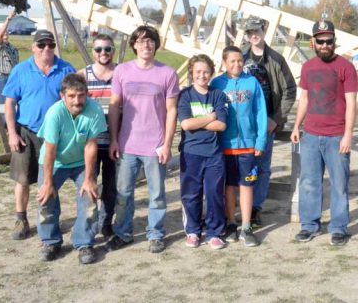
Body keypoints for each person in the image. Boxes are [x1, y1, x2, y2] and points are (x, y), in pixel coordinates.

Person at [107, 25, 179, 254]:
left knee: (157, 195)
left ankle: (156, 234)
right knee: (124, 194)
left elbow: (172, 111)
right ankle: (123, 233)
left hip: (155, 146)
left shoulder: (167, 73)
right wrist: (114, 140)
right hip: (127, 144)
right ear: (134, 45)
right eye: (141, 40)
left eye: (150, 41)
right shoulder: (122, 72)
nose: (146, 44)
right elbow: (114, 106)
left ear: (156, 45)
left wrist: (167, 144)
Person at [291, 20, 358, 246]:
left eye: (329, 41)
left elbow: (352, 104)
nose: (325, 45)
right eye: (320, 41)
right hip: (311, 134)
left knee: (339, 184)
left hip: (336, 136)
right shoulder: (308, 67)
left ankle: (339, 227)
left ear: (334, 42)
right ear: (313, 42)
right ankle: (309, 225)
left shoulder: (345, 67)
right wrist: (296, 126)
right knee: (309, 182)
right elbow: (304, 98)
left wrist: (348, 134)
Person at [2, 29, 75, 240]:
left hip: (55, 134)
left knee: (51, 178)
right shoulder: (21, 70)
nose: (46, 49)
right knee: (23, 179)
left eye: (50, 45)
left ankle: (50, 219)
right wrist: (12, 133)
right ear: (33, 47)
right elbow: (9, 103)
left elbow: (74, 101)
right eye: (41, 45)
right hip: (27, 132)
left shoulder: (66, 69)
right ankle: (21, 219)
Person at [36, 73, 105, 264]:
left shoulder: (94, 110)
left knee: (89, 196)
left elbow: (91, 145)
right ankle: (50, 241)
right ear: (62, 96)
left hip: (80, 162)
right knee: (45, 198)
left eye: (81, 95)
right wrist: (48, 182)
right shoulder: (54, 114)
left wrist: (90, 178)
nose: (77, 100)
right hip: (55, 161)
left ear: (87, 94)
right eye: (72, 96)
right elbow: (50, 150)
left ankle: (84, 243)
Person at [242, 18, 297, 226]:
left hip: (266, 123)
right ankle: (238, 207)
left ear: (264, 30)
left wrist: (276, 119)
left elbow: (290, 89)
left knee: (262, 167)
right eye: (249, 32)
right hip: (243, 124)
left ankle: (255, 208)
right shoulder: (240, 57)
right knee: (242, 165)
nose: (253, 35)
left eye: (256, 30)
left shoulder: (276, 59)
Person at [211, 46, 268, 247]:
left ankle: (246, 226)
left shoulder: (252, 83)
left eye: (240, 61)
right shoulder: (217, 83)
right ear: (224, 62)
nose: (236, 64)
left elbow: (261, 113)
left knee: (246, 185)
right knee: (229, 186)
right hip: (224, 146)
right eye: (232, 61)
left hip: (247, 146)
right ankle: (231, 223)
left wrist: (260, 141)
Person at [177, 54, 229, 250]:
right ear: (191, 73)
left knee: (214, 193)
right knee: (191, 193)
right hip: (191, 152)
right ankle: (193, 230)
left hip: (213, 153)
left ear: (211, 73)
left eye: (206, 71)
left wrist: (199, 122)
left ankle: (214, 232)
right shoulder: (185, 95)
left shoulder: (217, 95)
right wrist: (210, 116)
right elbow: (186, 124)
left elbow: (221, 125)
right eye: (198, 71)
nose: (202, 75)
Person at [77, 34, 116, 238]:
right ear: (93, 51)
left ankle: (106, 223)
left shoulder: (121, 73)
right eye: (99, 49)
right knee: (89, 184)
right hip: (90, 142)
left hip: (113, 141)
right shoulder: (83, 75)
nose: (103, 53)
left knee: (111, 186)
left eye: (107, 49)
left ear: (113, 51)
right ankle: (88, 228)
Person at [0, 10, 19, 103]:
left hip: (13, 76)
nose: (5, 34)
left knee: (15, 101)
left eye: (6, 32)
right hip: (3, 77)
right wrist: (9, 19)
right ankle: (4, 118)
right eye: (3, 32)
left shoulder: (13, 47)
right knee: (4, 103)